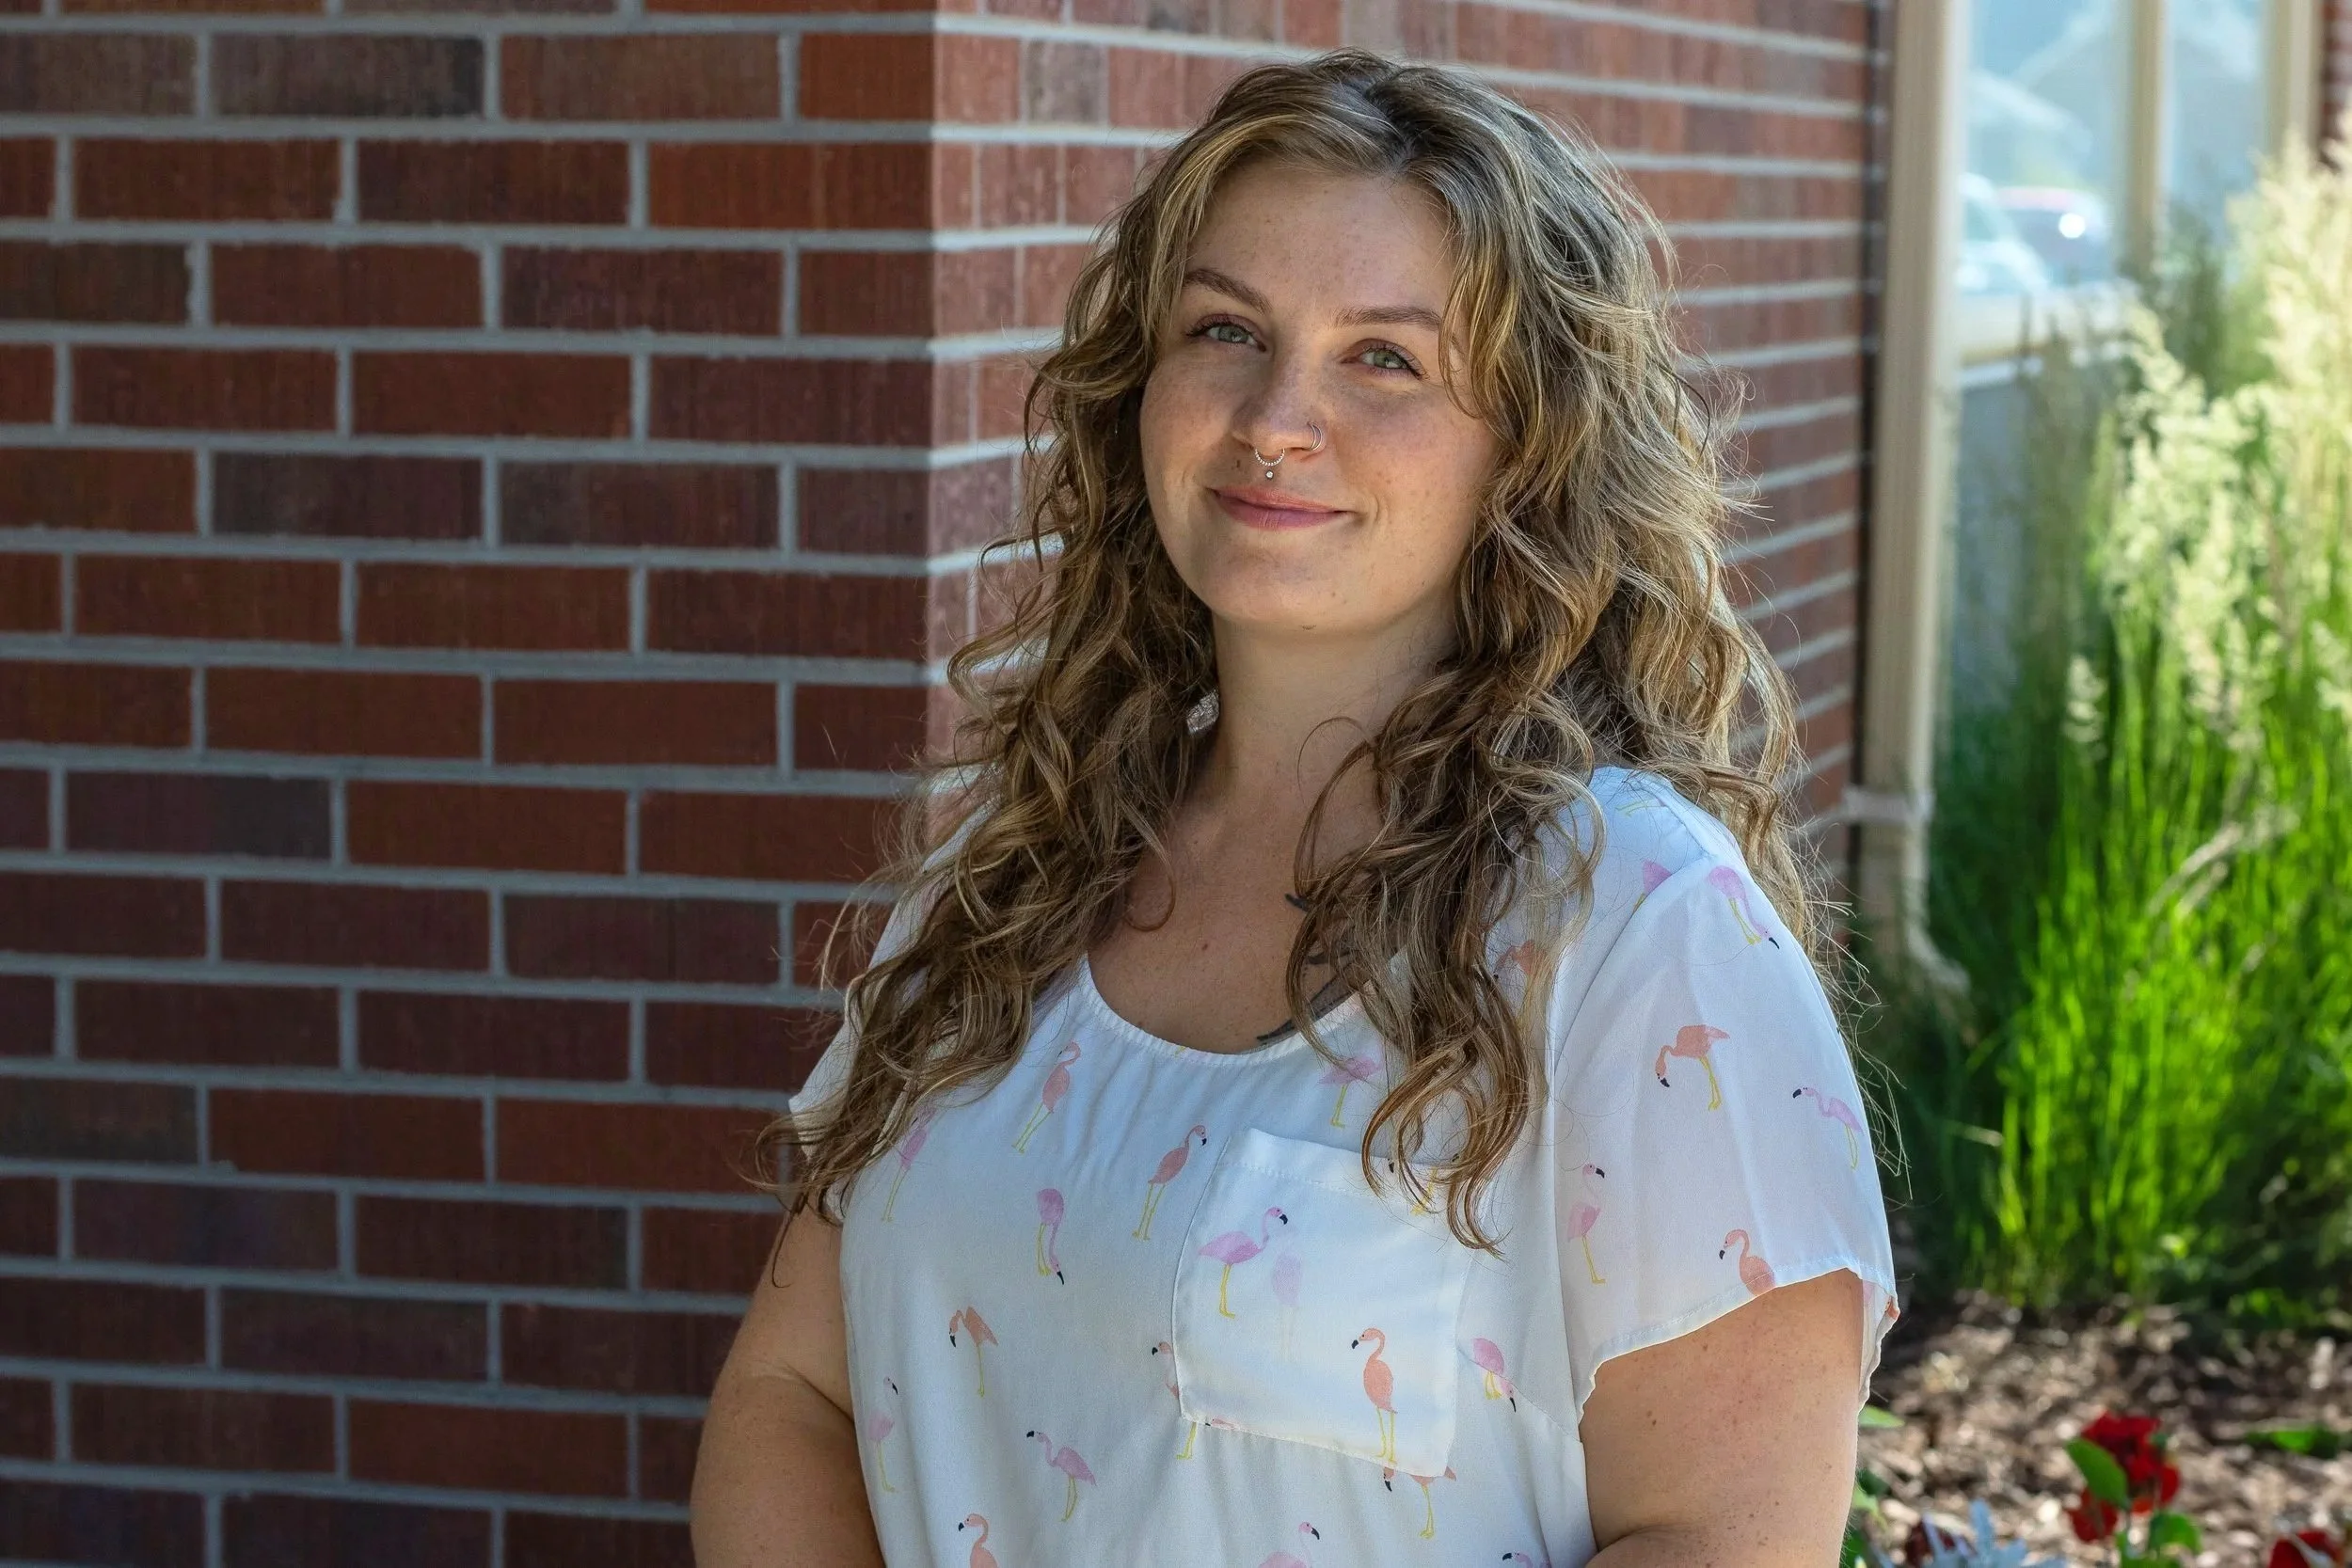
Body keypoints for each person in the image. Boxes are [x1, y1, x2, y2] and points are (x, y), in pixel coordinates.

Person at [691, 48, 1899, 1568]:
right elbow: (790, 1392)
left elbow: (1720, 1537)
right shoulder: (1014, 869)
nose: (1273, 416)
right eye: (1224, 329)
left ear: (1527, 444)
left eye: (1382, 358)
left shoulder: (1638, 930)